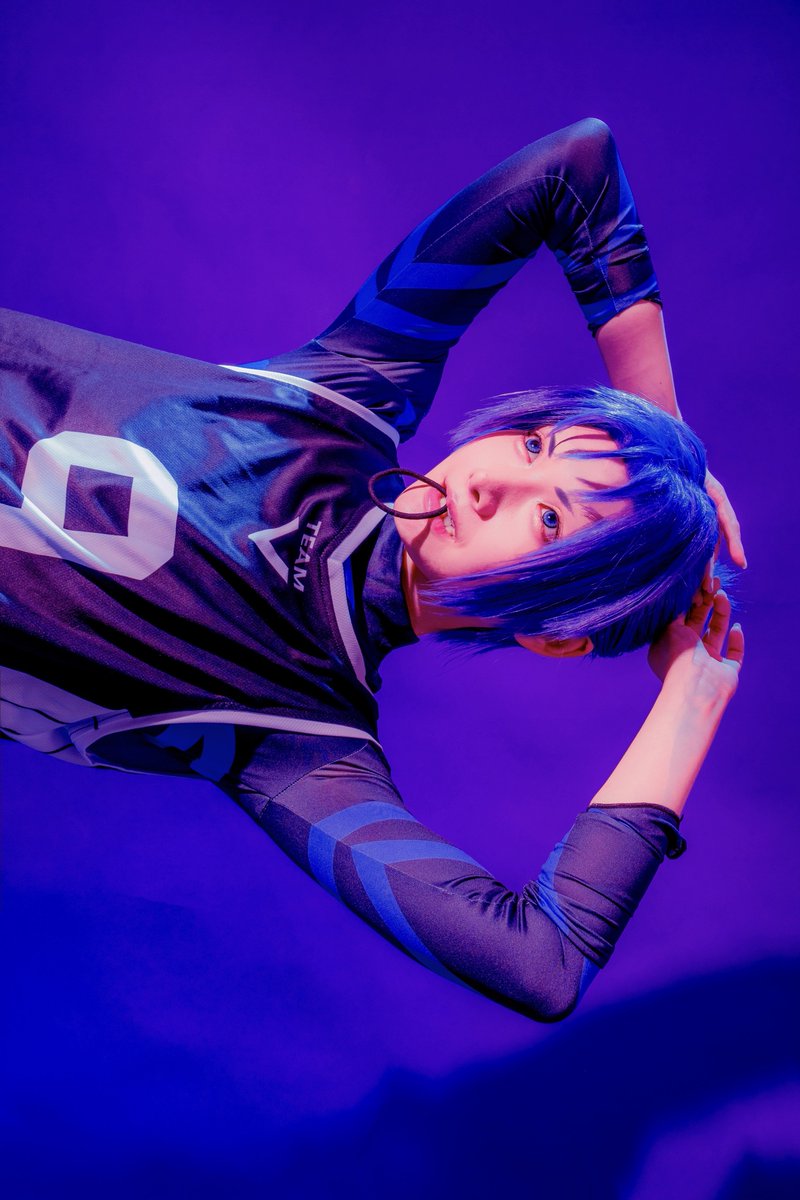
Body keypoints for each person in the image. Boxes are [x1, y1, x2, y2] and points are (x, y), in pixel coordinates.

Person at [0, 118, 744, 1021]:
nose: (493, 479)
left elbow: (542, 964)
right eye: (536, 443)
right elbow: (574, 167)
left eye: (550, 520)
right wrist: (663, 436)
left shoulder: (300, 740)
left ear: (557, 639)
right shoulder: (344, 396)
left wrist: (691, 696)